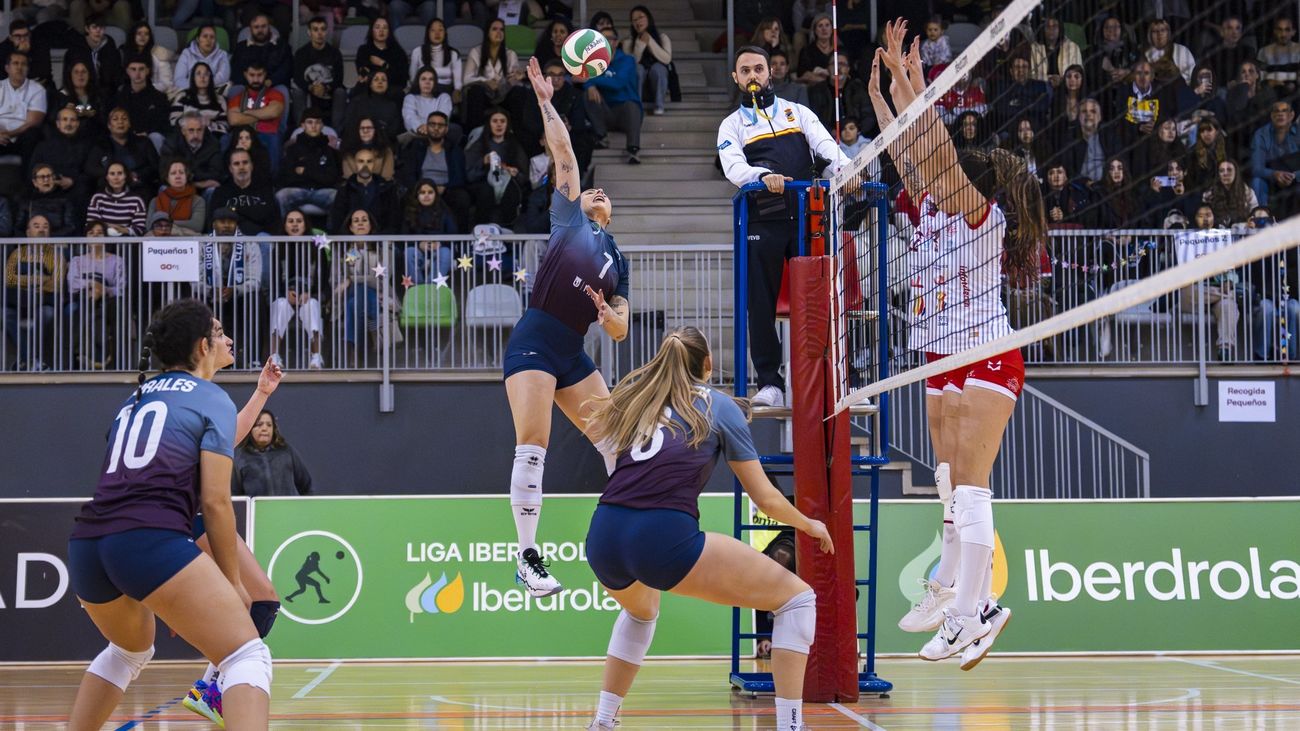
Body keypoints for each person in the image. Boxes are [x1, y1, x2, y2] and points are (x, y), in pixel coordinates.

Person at [871, 20, 1041, 667]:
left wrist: (916, 84)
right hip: (943, 345)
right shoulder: (934, 209)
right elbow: (909, 152)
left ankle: (976, 608)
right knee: (950, 480)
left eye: (947, 178)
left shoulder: (978, 213)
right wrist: (891, 90)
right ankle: (950, 588)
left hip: (986, 348)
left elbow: (934, 148)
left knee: (970, 486)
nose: (935, 181)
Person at [580, 326, 831, 731]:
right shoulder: (718, 405)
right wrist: (808, 524)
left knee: (641, 613)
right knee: (797, 601)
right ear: (708, 365)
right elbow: (765, 499)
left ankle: (603, 721)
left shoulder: (639, 402)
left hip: (604, 534)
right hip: (662, 536)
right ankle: (791, 726)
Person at [65, 299, 272, 730]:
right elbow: (215, 502)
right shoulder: (210, 396)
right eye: (217, 332)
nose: (224, 338)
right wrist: (231, 583)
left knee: (128, 651)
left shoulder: (135, 396)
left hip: (88, 544)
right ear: (202, 346)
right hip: (148, 539)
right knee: (247, 654)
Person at [502, 57, 632, 598]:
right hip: (535, 338)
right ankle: (527, 556)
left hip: (573, 352)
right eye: (591, 189)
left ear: (612, 212)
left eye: (605, 194)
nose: (596, 192)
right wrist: (545, 100)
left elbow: (622, 327)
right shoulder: (569, 218)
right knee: (534, 443)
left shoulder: (617, 259)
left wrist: (610, 319)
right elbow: (564, 152)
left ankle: (630, 527)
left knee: (615, 441)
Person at [718, 45, 849, 407]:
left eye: (758, 69)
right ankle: (770, 383)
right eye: (745, 71)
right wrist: (764, 176)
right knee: (759, 303)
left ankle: (820, 375)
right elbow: (733, 168)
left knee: (818, 299)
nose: (753, 76)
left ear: (769, 73)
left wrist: (847, 169)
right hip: (763, 219)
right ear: (736, 78)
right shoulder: (731, 125)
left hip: (808, 218)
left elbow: (826, 148)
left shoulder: (798, 112)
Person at [4, 216, 64, 371]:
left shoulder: (56, 255)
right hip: (18, 303)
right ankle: (32, 360)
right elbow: (9, 280)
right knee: (4, 314)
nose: (41, 229)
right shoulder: (17, 253)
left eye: (45, 226)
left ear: (49, 232)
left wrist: (23, 280)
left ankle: (25, 362)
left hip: (43, 303)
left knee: (46, 314)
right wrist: (37, 279)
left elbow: (55, 285)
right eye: (36, 226)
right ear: (28, 232)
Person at [268, 208, 326, 370]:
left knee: (312, 306)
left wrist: (310, 294)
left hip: (309, 296)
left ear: (305, 225)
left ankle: (316, 357)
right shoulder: (278, 248)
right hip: (285, 296)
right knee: (280, 305)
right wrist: (285, 294)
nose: (295, 225)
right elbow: (274, 280)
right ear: (285, 226)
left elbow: (324, 280)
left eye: (299, 221)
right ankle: (274, 356)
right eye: (290, 221)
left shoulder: (316, 248)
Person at [66, 220, 125, 369]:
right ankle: (98, 356)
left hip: (108, 300)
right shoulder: (77, 260)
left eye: (99, 233)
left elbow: (121, 288)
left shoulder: (116, 261)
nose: (95, 236)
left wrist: (103, 289)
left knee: (114, 309)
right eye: (91, 233)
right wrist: (93, 285)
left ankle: (80, 354)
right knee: (86, 304)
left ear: (105, 237)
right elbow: (72, 285)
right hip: (82, 299)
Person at [466, 107, 528, 226]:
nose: (499, 125)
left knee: (511, 193)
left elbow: (524, 177)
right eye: (495, 121)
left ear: (507, 124)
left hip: (508, 184)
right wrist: (483, 162)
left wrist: (514, 172)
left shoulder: (514, 145)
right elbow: (469, 175)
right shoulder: (479, 145)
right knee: (486, 192)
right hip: (483, 183)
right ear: (489, 124)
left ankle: (508, 232)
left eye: (502, 121)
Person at [233, 409, 313, 496]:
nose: (264, 428)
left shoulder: (286, 451)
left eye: (269, 425)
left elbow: (307, 486)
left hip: (287, 509)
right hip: (257, 509)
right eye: (259, 425)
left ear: (274, 429)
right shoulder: (240, 458)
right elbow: (235, 496)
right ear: (250, 429)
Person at [277, 107, 342, 213]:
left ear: (322, 125)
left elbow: (332, 178)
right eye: (309, 122)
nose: (313, 126)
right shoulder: (292, 150)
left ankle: (333, 230)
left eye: (317, 122)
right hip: (298, 190)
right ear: (303, 125)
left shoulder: (330, 151)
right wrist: (318, 172)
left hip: (322, 191)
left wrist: (305, 171)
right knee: (281, 196)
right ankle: (283, 229)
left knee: (337, 196)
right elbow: (286, 177)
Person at [228, 61, 288, 176]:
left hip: (267, 134)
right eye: (252, 75)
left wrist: (245, 113)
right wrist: (263, 114)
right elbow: (234, 120)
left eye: (259, 75)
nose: (256, 79)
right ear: (245, 75)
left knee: (274, 139)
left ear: (265, 75)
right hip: (243, 135)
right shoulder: (237, 97)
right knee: (225, 139)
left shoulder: (275, 94)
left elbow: (274, 112)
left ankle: (272, 181)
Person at [462, 18, 523, 130]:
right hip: (484, 95)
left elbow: (514, 77)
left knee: (519, 92)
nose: (499, 32)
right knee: (476, 91)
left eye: (501, 30)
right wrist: (485, 82)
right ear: (487, 32)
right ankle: (474, 133)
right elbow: (466, 79)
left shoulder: (510, 54)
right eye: (494, 29)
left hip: (503, 94)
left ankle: (517, 133)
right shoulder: (476, 52)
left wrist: (517, 77)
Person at [328, 146, 401, 233]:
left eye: (369, 161)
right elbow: (338, 220)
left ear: (374, 164)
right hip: (351, 241)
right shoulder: (344, 189)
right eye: (361, 161)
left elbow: (394, 220)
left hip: (381, 241)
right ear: (355, 164)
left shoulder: (387, 188)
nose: (365, 165)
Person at [210, 149, 281, 235]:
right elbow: (215, 221)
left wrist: (235, 211)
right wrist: (254, 212)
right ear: (230, 169)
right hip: (230, 237)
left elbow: (270, 219)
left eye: (245, 163)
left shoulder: (265, 190)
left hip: (259, 237)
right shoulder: (220, 192)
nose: (241, 167)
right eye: (236, 164)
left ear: (251, 166)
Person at [402, 178, 458, 282]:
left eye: (430, 192)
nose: (426, 195)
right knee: (409, 251)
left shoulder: (445, 211)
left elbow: (453, 233)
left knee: (445, 252)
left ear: (436, 194)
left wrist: (440, 244)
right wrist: (419, 244)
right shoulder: (409, 212)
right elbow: (403, 236)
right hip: (418, 251)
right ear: (417, 195)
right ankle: (419, 290)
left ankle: (431, 289)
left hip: (439, 250)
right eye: (422, 192)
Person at [160, 111, 226, 197]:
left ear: (204, 129)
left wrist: (185, 176)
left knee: (213, 190)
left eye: (199, 130)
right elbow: (164, 173)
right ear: (183, 131)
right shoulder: (171, 144)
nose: (195, 135)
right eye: (191, 130)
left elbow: (216, 174)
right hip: (179, 187)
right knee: (164, 188)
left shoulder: (213, 144)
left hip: (202, 191)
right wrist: (197, 183)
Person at [0, 51, 48, 168]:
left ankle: (28, 183)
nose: (19, 67)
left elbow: (32, 123)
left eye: (24, 64)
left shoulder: (37, 90)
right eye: (15, 63)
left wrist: (8, 134)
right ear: (7, 68)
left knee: (33, 134)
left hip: (22, 137)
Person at [623, 6, 673, 116]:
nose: (638, 22)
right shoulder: (627, 42)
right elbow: (630, 65)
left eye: (641, 17)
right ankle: (636, 107)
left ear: (648, 19)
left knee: (658, 68)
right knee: (638, 68)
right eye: (634, 20)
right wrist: (640, 45)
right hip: (638, 88)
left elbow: (667, 59)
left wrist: (650, 41)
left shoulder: (663, 38)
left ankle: (659, 106)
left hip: (657, 87)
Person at [294, 16, 345, 120]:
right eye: (315, 29)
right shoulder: (301, 53)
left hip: (329, 90)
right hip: (308, 90)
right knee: (297, 92)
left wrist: (325, 87)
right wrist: (311, 88)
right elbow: (297, 78)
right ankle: (301, 129)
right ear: (309, 32)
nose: (319, 33)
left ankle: (337, 133)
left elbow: (339, 78)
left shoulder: (335, 53)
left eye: (323, 29)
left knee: (340, 92)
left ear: (326, 32)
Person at [170, 62, 231, 137]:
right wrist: (192, 122)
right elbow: (173, 121)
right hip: (186, 136)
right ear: (193, 77)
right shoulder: (182, 96)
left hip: (211, 137)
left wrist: (210, 124)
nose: (202, 77)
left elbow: (225, 127)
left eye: (206, 74)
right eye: (198, 73)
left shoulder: (220, 100)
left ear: (210, 77)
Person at [86, 162, 148, 236]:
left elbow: (139, 229)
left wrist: (123, 230)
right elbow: (91, 225)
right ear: (107, 177)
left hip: (126, 243)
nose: (116, 178)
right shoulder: (98, 198)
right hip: (102, 241)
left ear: (126, 176)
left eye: (120, 173)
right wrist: (109, 228)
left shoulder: (136, 200)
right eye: (112, 174)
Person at [408, 18, 462, 101]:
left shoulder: (453, 53)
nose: (437, 33)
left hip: (445, 89)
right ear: (428, 33)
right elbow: (413, 78)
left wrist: (457, 90)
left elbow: (458, 81)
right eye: (433, 30)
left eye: (440, 30)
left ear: (445, 33)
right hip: (423, 88)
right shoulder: (417, 51)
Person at [151, 161, 208, 236]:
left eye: (181, 173)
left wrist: (167, 224)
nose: (178, 176)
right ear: (167, 178)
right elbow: (149, 225)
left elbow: (197, 226)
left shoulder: (198, 201)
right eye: (173, 173)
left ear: (187, 176)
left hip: (187, 240)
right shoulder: (156, 201)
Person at [355, 16, 409, 92]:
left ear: (389, 31)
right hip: (369, 89)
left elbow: (401, 79)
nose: (381, 30)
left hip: (391, 89)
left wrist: (383, 64)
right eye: (377, 27)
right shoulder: (364, 50)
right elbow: (363, 73)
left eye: (385, 28)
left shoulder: (398, 52)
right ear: (372, 30)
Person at [174, 25, 232, 91]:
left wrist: (203, 87)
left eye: (212, 37)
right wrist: (197, 88)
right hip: (190, 91)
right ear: (198, 39)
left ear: (215, 40)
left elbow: (223, 78)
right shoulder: (187, 53)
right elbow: (179, 79)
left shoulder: (222, 54)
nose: (208, 40)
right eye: (205, 36)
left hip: (213, 92)